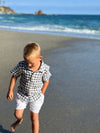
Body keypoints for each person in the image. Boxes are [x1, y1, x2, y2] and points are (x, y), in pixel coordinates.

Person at [7, 42, 51, 133]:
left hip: (37, 97)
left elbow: (46, 81)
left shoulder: (44, 69)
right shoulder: (22, 65)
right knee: (17, 114)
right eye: (27, 62)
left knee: (34, 117)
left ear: (40, 58)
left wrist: (42, 93)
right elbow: (14, 76)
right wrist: (10, 90)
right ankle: (19, 120)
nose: (29, 65)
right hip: (22, 94)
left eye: (31, 63)